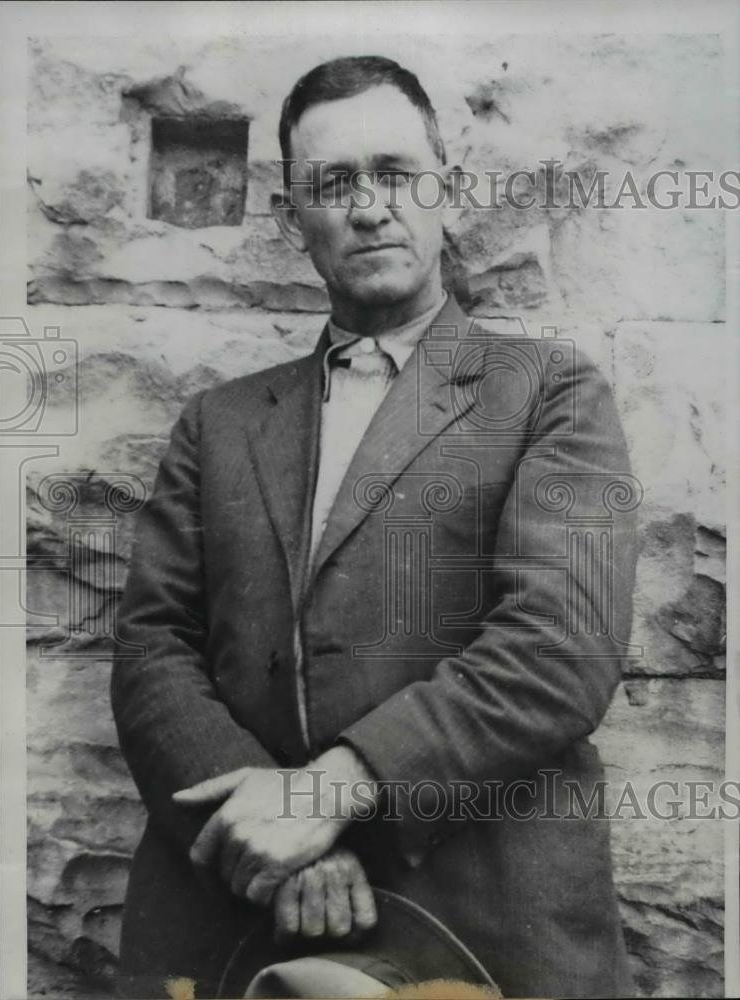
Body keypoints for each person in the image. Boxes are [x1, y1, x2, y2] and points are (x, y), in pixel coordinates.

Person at [111, 55, 639, 999]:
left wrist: (330, 794)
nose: (369, 206)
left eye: (396, 172)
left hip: (481, 921)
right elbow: (155, 653)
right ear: (295, 220)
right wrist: (274, 844)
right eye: (334, 183)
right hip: (241, 919)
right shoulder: (217, 424)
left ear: (447, 187)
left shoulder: (552, 393)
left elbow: (561, 646)